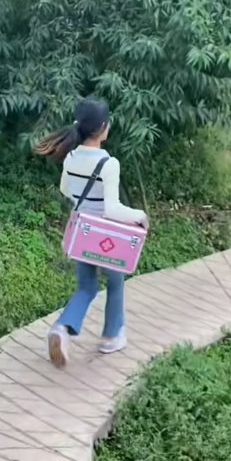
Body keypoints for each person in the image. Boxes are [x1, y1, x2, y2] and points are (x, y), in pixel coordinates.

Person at [34, 98, 148, 368]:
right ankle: (112, 335)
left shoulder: (71, 157)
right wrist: (140, 216)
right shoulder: (108, 163)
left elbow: (65, 189)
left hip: (83, 231)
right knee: (115, 282)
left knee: (86, 286)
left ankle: (62, 328)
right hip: (108, 235)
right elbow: (113, 208)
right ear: (104, 126)